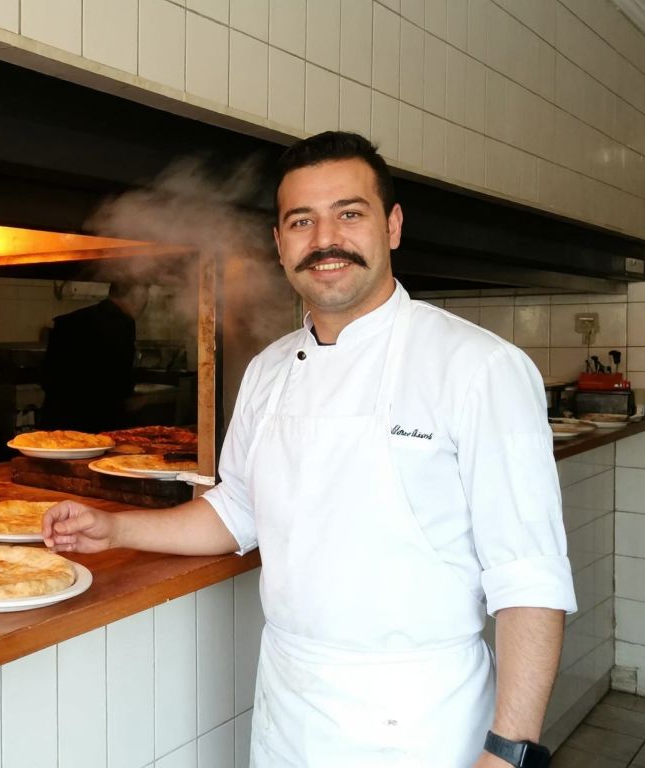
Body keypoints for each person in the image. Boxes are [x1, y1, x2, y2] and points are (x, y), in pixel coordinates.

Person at [43, 132, 575, 768]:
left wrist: (509, 752)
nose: (326, 238)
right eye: (302, 220)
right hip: (289, 707)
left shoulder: (479, 367)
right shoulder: (268, 370)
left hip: (423, 719)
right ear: (279, 243)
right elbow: (235, 510)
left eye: (350, 213)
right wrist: (114, 527)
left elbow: (529, 577)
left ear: (393, 226)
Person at [39, 280, 149, 432]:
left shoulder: (70, 320)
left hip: (56, 420)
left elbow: (48, 376)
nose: (145, 303)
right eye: (144, 295)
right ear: (136, 295)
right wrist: (129, 400)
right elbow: (115, 378)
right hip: (93, 425)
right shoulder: (121, 323)